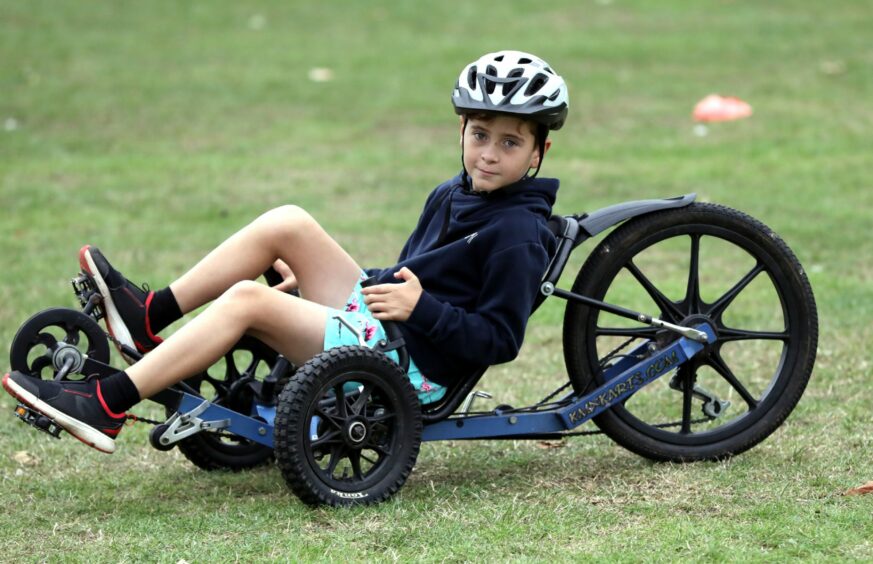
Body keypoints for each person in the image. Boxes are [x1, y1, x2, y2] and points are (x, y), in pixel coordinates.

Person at [3, 50, 569, 454]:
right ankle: (147, 313)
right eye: (479, 134)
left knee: (248, 300)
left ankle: (106, 405)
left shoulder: (517, 233)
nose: (488, 154)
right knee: (288, 224)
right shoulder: (454, 192)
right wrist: (309, 286)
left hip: (411, 369)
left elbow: (501, 340)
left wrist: (423, 310)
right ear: (462, 129)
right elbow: (410, 274)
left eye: (510, 142)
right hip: (387, 327)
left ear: (538, 152)